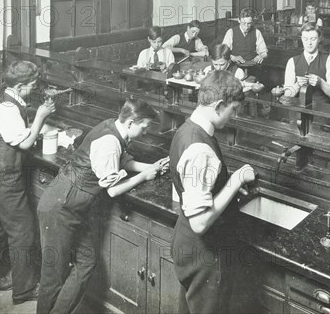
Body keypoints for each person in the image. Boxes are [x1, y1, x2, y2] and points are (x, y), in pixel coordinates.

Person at [37, 100, 169, 314]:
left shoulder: (114, 126)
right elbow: (113, 190)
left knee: (86, 262)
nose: (145, 132)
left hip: (76, 206)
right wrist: (144, 176)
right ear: (131, 122)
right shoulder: (110, 141)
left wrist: (153, 167)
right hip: (60, 206)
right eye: (144, 127)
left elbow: (121, 162)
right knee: (54, 273)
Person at [170, 70, 256, 314]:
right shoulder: (200, 149)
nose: (234, 116)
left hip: (184, 240)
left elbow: (181, 196)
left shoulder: (186, 130)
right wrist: (236, 179)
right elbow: (199, 223)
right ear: (219, 106)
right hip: (203, 251)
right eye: (233, 109)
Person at [0, 61, 55, 304]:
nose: (34, 89)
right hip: (4, 178)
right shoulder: (8, 108)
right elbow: (24, 143)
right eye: (32, 86)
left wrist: (35, 123)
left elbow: (18, 133)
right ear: (19, 86)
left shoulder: (8, 100)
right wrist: (41, 116)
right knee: (23, 231)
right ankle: (25, 289)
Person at [284, 22, 330, 102]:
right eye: (305, 39)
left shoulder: (329, 61)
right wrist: (297, 85)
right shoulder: (292, 62)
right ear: (301, 39)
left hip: (321, 111)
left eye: (313, 39)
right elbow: (287, 95)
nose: (309, 43)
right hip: (298, 111)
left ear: (319, 39)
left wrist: (321, 83)